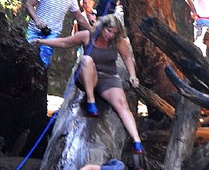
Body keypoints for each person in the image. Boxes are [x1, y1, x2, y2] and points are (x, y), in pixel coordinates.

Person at [39, 14, 144, 153]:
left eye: (114, 32)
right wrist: (42, 41)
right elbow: (65, 42)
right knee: (86, 59)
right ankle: (91, 100)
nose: (110, 35)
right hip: (88, 76)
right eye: (109, 30)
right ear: (101, 27)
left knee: (122, 105)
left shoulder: (118, 41)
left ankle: (137, 141)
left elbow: (127, 57)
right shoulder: (87, 35)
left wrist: (132, 76)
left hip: (108, 77)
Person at [24, 0, 93, 66]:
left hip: (52, 33)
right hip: (34, 30)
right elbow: (29, 4)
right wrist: (37, 20)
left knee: (43, 61)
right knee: (26, 57)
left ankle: (39, 80)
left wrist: (92, 31)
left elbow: (79, 18)